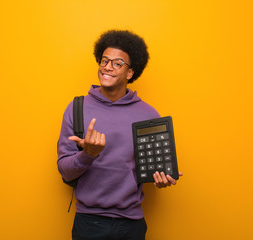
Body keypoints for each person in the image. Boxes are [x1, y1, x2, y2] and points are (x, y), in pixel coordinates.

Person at [57, 30, 182, 240]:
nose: (107, 67)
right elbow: (65, 171)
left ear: (130, 73)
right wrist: (88, 154)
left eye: (117, 63)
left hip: (131, 225)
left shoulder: (148, 115)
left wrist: (162, 177)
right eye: (104, 60)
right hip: (89, 223)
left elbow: (154, 168)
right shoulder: (76, 108)